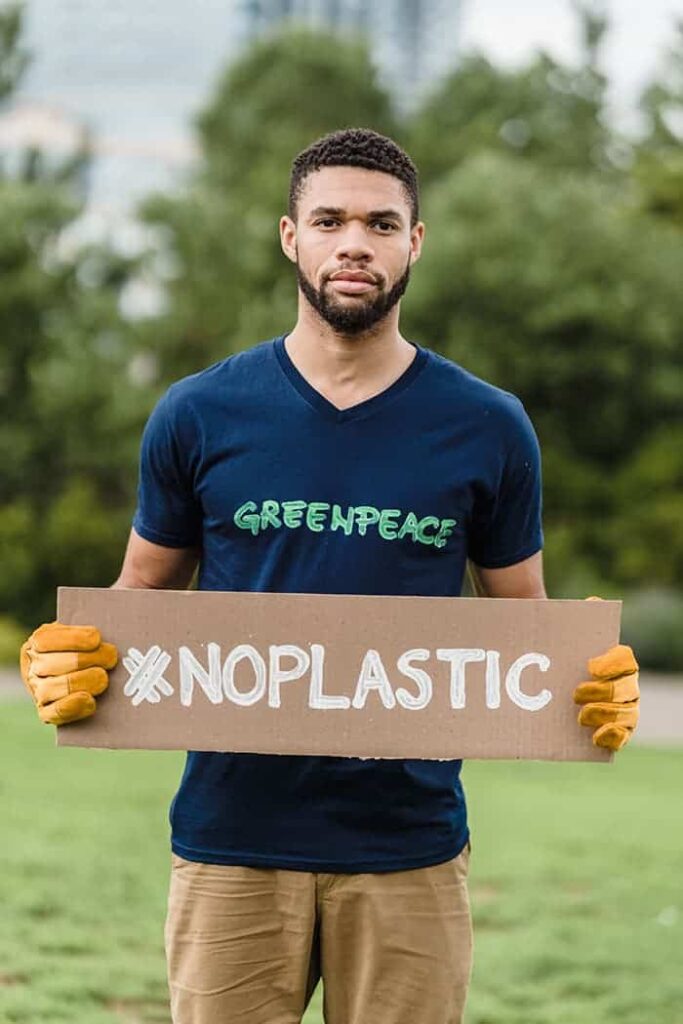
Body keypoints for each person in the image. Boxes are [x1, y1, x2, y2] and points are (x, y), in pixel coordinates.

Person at [20, 128, 640, 1024]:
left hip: (409, 846)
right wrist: (71, 649)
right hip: (231, 838)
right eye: (329, 220)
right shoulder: (198, 412)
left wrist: (585, 675)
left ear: (414, 242)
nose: (355, 242)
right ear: (290, 237)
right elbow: (142, 595)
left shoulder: (488, 426)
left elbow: (522, 628)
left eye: (381, 224)